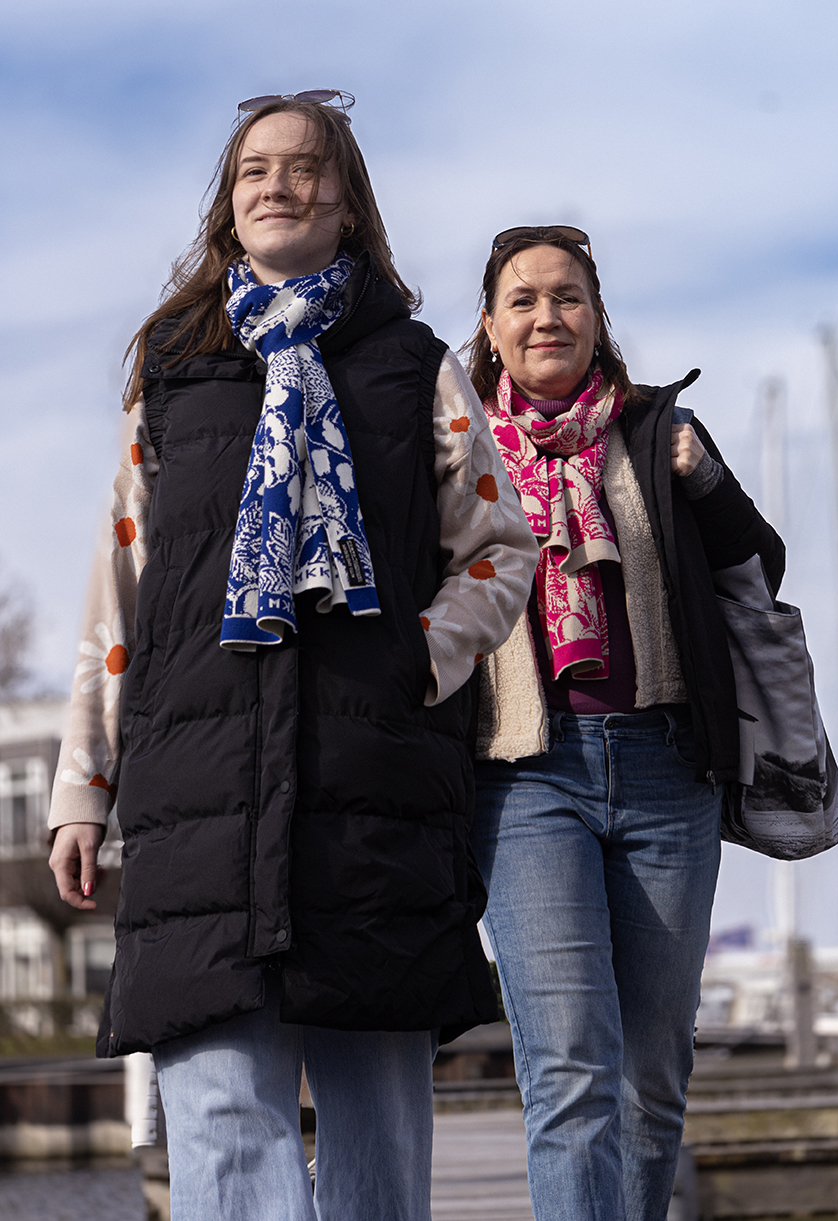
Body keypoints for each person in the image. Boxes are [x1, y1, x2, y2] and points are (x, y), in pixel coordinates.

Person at [46, 94, 538, 1221]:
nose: (277, 185)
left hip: (373, 788)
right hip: (197, 792)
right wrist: (84, 785)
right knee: (219, 1116)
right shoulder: (173, 374)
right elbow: (118, 590)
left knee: (375, 1134)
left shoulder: (413, 367)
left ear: (347, 200)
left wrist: (420, 658)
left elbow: (500, 550)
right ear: (229, 202)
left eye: (305, 168)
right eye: (255, 170)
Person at [466, 225, 786, 1221]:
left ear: (598, 320)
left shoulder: (656, 430)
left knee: (652, 1079)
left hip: (664, 772)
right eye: (523, 299)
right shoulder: (457, 447)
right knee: (569, 1073)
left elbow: (758, 566)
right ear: (489, 328)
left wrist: (706, 481)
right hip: (525, 779)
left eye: (567, 297)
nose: (546, 316)